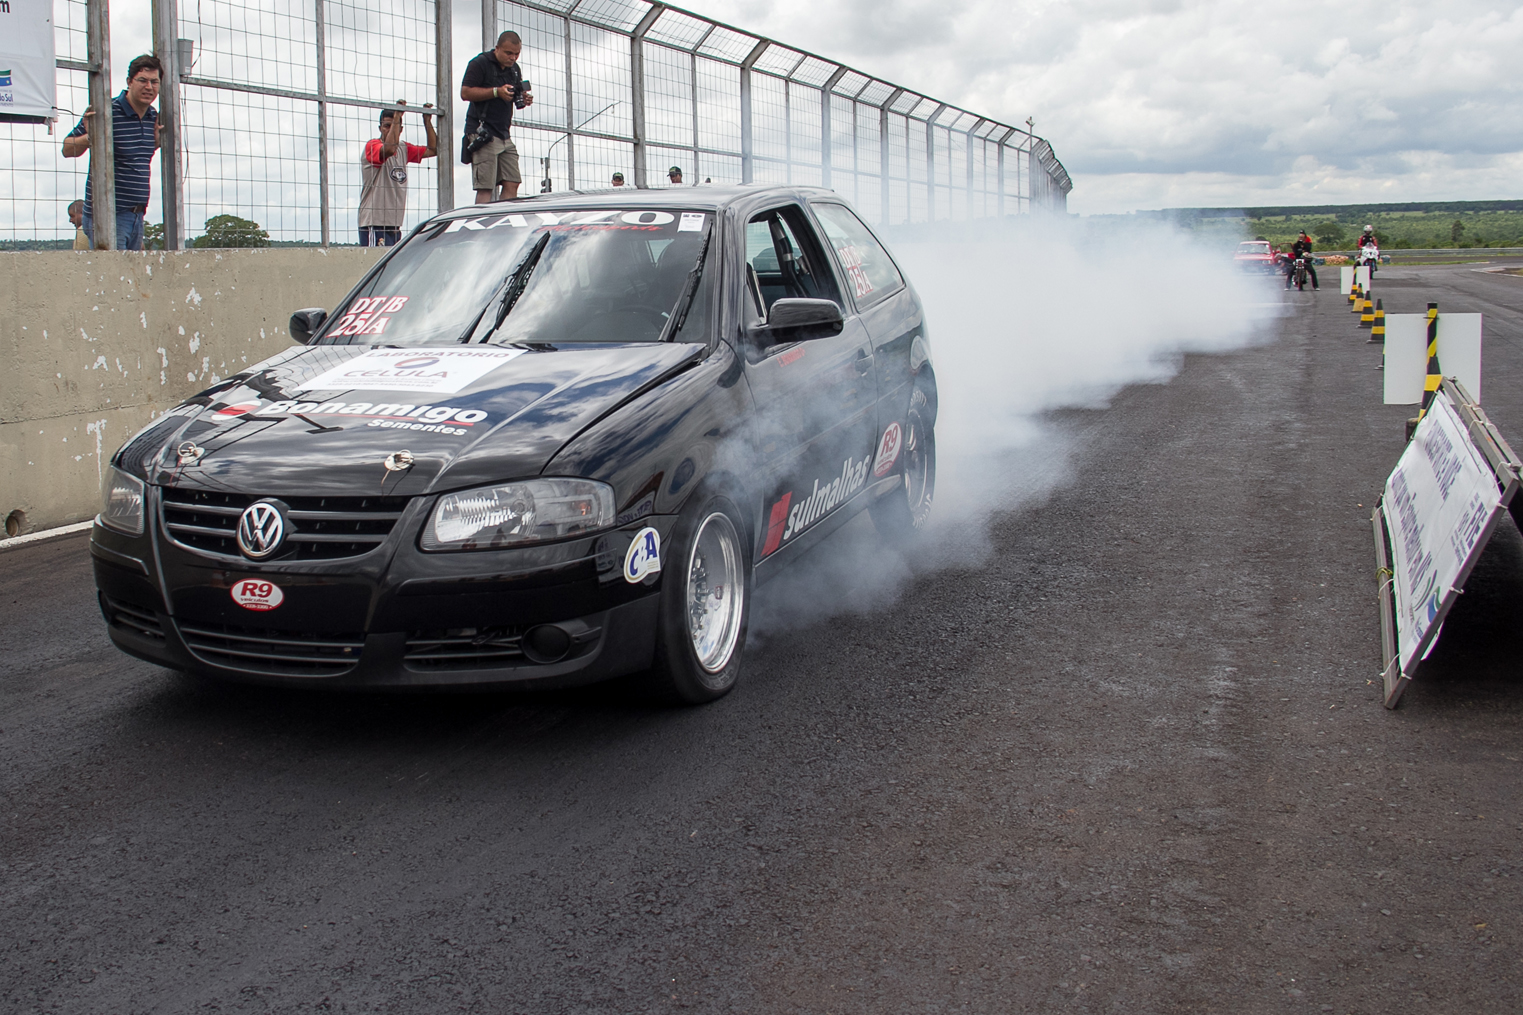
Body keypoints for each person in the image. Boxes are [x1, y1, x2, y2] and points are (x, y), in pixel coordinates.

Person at [62, 54, 164, 250]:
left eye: (154, 82)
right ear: (129, 81)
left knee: (133, 270)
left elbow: (134, 158)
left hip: (137, 215)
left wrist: (155, 144)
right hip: (108, 215)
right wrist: (91, 138)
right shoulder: (107, 111)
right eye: (142, 80)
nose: (149, 87)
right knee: (113, 270)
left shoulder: (153, 117)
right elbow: (67, 148)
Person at [460, 31, 534, 203]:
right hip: (482, 132)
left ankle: (505, 217)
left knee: (512, 182)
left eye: (516, 54)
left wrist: (523, 98)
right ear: (497, 48)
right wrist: (496, 92)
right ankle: (482, 220)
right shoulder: (480, 63)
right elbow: (465, 92)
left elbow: (515, 95)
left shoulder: (514, 69)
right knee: (485, 187)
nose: (512, 58)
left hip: (504, 134)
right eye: (508, 53)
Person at [359, 101, 438, 247]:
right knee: (377, 260)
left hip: (394, 223)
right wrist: (396, 117)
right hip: (374, 222)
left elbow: (433, 149)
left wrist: (427, 121)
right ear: (380, 128)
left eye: (393, 126)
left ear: (401, 129)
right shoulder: (373, 146)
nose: (389, 130)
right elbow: (389, 149)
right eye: (386, 126)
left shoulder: (403, 148)